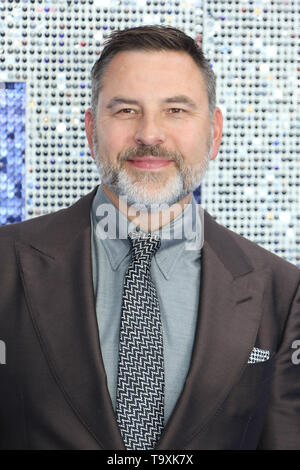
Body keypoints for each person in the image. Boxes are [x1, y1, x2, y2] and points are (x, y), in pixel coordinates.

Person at [0, 25, 299, 451]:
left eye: (176, 110)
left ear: (214, 132)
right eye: (125, 111)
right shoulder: (5, 264)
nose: (150, 134)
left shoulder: (283, 291)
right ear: (90, 130)